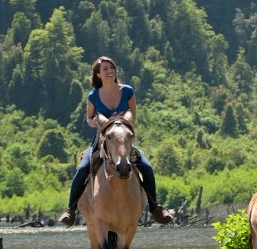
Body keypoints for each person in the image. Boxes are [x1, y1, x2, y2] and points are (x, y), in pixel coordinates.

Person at [58, 56, 173, 226]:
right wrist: (96, 122)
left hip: (124, 142)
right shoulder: (93, 96)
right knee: (82, 168)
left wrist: (123, 121)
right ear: (97, 75)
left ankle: (155, 207)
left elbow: (132, 115)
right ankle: (70, 209)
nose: (109, 71)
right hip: (102, 141)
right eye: (104, 69)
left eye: (111, 67)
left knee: (147, 167)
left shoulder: (127, 91)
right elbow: (89, 119)